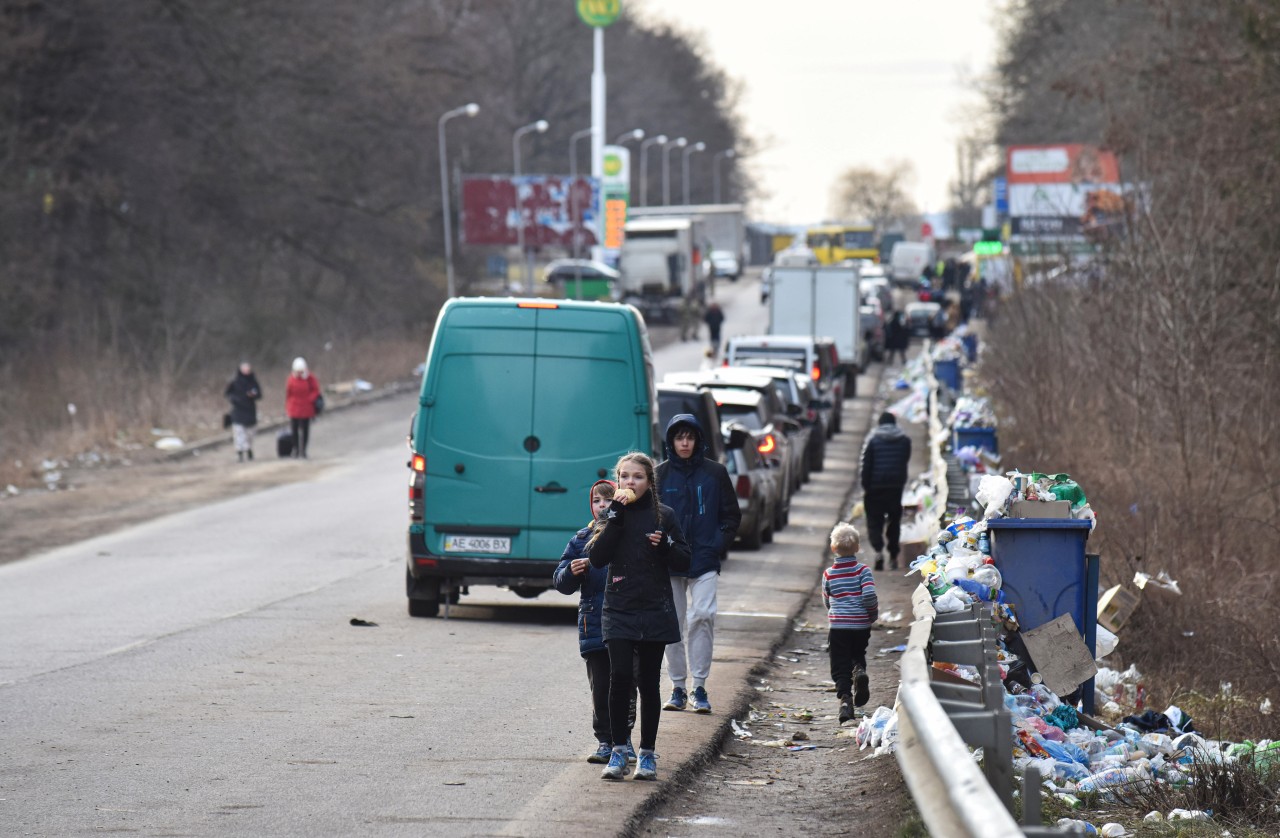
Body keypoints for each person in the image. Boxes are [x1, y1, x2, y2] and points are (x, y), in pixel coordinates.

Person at [588, 452, 691, 781]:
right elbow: (598, 557)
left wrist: (665, 545)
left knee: (648, 681)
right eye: (625, 477)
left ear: (649, 482)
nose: (630, 482)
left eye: (637, 477)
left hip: (654, 607)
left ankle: (647, 753)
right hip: (618, 606)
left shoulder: (664, 515)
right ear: (618, 481)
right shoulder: (613, 512)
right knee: (619, 678)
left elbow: (684, 559)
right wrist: (615, 517)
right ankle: (619, 751)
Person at [655, 414, 740, 715]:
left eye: (690, 437)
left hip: (704, 558)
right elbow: (651, 517)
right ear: (671, 441)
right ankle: (678, 687)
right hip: (669, 560)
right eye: (679, 437)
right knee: (672, 624)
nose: (685, 443)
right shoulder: (660, 475)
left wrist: (717, 544)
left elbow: (731, 516)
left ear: (698, 440)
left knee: (703, 616)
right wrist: (658, 545)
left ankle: (699, 686)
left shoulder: (715, 473)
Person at [552, 480, 636, 766]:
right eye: (597, 500)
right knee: (600, 686)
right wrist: (571, 573)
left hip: (625, 624)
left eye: (608, 499)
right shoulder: (581, 539)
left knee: (626, 683)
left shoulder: (626, 534)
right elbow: (560, 580)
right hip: (594, 625)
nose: (602, 505)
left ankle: (624, 741)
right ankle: (605, 741)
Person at [822, 522, 878, 723]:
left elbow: (827, 600)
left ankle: (846, 700)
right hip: (861, 625)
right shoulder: (863, 571)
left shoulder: (829, 574)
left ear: (833, 548)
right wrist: (872, 615)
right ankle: (859, 671)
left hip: (838, 626)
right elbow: (870, 596)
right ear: (857, 547)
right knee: (857, 653)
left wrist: (835, 613)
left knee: (839, 663)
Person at [859, 411, 912, 571]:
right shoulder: (904, 441)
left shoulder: (873, 441)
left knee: (874, 521)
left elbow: (866, 465)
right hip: (895, 487)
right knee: (894, 522)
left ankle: (878, 551)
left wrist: (865, 485)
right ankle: (894, 556)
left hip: (875, 487)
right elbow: (905, 460)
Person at [224, 361, 262, 462]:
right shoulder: (234, 381)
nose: (246, 371)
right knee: (239, 433)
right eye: (244, 369)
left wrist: (253, 395)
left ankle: (248, 449)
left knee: (250, 433)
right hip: (238, 410)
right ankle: (239, 452)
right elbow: (227, 394)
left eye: (248, 369)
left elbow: (259, 394)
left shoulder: (253, 381)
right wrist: (235, 400)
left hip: (250, 410)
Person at [284, 356, 321, 459]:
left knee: (305, 430)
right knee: (294, 430)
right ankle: (295, 449)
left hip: (306, 408)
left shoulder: (310, 378)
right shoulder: (291, 379)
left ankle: (303, 450)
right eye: (297, 371)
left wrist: (310, 399)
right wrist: (287, 406)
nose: (299, 373)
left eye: (301, 371)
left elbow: (316, 390)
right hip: (294, 407)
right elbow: (288, 393)